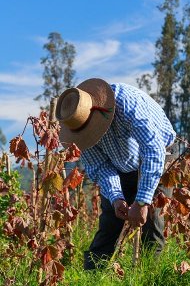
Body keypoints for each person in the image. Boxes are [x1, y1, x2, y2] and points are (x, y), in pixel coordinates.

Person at [55, 78, 177, 270]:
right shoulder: (77, 128)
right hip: (120, 165)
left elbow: (153, 151)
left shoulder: (127, 104)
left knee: (151, 223)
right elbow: (101, 167)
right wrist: (116, 198)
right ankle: (92, 278)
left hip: (159, 158)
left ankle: (148, 278)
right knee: (110, 222)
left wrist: (142, 202)